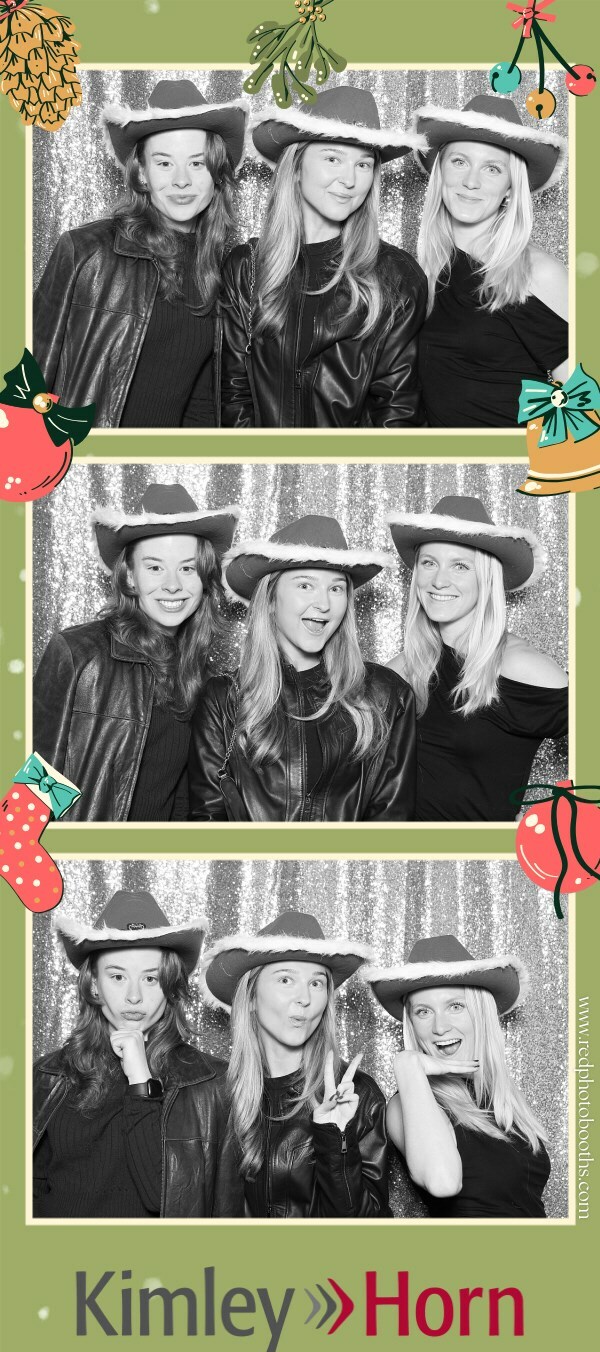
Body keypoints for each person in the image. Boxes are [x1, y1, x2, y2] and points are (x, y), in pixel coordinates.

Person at [33, 80, 248, 427]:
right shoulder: (86, 251)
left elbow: (205, 403)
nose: (181, 180)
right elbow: (30, 378)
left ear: (216, 175)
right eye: (164, 164)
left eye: (197, 164)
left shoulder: (225, 270)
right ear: (142, 174)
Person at [220, 85, 427, 428]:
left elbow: (397, 414)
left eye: (364, 164)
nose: (350, 179)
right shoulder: (247, 266)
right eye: (333, 158)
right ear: (297, 167)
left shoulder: (396, 275)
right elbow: (233, 397)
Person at [188, 513, 416, 822]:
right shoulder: (223, 699)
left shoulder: (386, 694)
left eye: (336, 588)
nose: (324, 604)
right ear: (270, 599)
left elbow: (392, 822)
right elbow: (208, 818)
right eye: (306, 585)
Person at [33, 483, 239, 821]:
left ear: (204, 578)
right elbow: (35, 782)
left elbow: (184, 798)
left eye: (187, 568)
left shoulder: (200, 676)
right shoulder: (79, 654)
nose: (173, 584)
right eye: (155, 567)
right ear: (130, 577)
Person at [33, 890, 240, 1220]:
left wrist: (140, 1080)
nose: (134, 996)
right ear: (94, 985)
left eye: (151, 978)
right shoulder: (47, 1077)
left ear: (170, 985)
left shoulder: (214, 1084)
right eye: (117, 976)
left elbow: (163, 1198)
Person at [386, 494, 567, 821]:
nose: (439, 580)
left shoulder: (520, 666)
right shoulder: (405, 668)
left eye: (460, 566)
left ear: (486, 577)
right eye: (429, 563)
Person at [201, 910, 391, 1219]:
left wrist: (337, 1138)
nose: (304, 998)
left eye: (316, 983)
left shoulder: (358, 1095)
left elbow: (369, 1230)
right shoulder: (213, 1095)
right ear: (251, 996)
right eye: (286, 979)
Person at [367, 933, 550, 1219]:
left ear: (480, 1013)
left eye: (455, 1006)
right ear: (411, 1024)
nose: (440, 1027)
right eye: (423, 1012)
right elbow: (442, 1182)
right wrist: (407, 1065)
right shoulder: (406, 1103)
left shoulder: (499, 1100)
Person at [412, 92, 568, 427]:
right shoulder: (422, 271)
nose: (471, 181)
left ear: (511, 188)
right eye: (459, 162)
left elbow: (587, 398)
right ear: (440, 172)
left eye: (493, 169)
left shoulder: (539, 272)